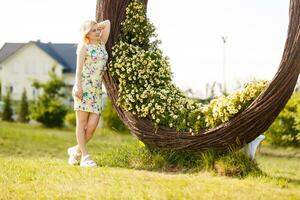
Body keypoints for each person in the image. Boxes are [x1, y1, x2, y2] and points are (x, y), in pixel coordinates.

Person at [67, 19, 110, 167]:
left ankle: (76, 151)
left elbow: (108, 23)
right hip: (84, 89)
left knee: (92, 127)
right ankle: (85, 157)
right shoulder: (83, 46)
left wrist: (96, 25)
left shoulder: (101, 43)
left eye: (98, 29)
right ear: (87, 34)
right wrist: (77, 86)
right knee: (82, 124)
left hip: (97, 91)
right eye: (94, 31)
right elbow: (78, 70)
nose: (98, 32)